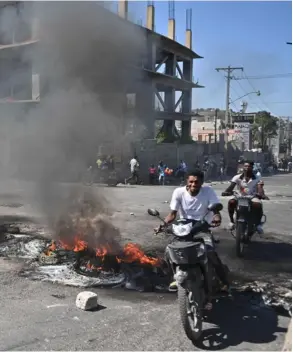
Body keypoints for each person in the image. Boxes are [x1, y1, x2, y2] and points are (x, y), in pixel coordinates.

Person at [155, 169, 230, 308]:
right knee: (169, 250)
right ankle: (175, 277)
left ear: (202, 182)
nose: (194, 184)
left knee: (210, 252)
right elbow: (172, 214)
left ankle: (224, 281)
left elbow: (216, 209)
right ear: (186, 182)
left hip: (202, 227)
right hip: (183, 227)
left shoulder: (208, 191)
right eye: (191, 181)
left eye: (197, 182)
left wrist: (217, 216)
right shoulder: (178, 192)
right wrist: (162, 225)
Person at [222, 160, 268, 235]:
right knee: (231, 202)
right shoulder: (237, 177)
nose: (247, 168)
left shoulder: (257, 178)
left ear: (252, 168)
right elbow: (231, 186)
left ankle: (258, 224)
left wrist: (262, 195)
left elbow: (260, 188)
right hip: (239, 196)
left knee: (258, 205)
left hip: (252, 197)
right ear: (243, 167)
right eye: (245, 166)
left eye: (249, 166)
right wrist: (226, 192)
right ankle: (232, 222)